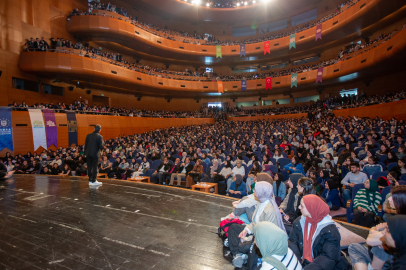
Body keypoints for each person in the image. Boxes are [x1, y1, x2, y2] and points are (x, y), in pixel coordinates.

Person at [227, 182, 286, 268]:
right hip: (255, 232)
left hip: (261, 239)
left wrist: (248, 238)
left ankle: (241, 252)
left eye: (256, 189)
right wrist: (246, 230)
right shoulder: (259, 203)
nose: (254, 191)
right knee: (233, 227)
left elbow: (266, 235)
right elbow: (254, 222)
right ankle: (238, 255)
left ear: (262, 192)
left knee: (243, 246)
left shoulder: (270, 210)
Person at [288, 195, 348, 270]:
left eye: (302, 206)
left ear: (311, 208)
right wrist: (296, 262)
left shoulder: (330, 230)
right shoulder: (299, 222)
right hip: (303, 262)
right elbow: (293, 242)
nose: (299, 207)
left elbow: (328, 258)